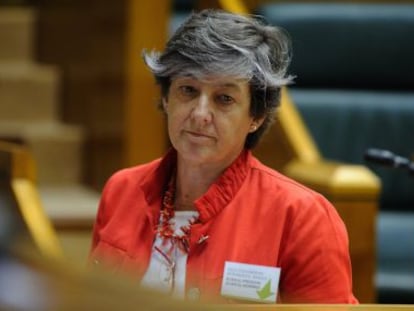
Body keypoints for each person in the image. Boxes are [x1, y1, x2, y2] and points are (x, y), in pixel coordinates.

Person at [90, 9, 358, 304]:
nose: (200, 114)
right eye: (188, 90)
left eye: (224, 99)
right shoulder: (121, 190)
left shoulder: (302, 217)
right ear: (167, 99)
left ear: (255, 116)